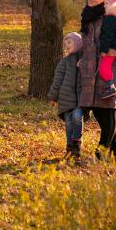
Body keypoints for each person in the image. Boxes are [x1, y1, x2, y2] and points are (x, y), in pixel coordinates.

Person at [78, 0, 116, 161]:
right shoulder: (87, 16)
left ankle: (100, 154)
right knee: (98, 111)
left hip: (107, 70)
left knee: (108, 109)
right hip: (89, 71)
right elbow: (87, 43)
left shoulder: (112, 15)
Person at [48, 32, 84, 161]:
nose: (66, 45)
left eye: (69, 42)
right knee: (69, 124)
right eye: (65, 44)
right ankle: (69, 149)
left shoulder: (85, 59)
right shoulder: (64, 62)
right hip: (65, 99)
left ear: (78, 43)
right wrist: (53, 97)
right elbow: (57, 80)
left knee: (77, 117)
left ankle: (76, 146)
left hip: (81, 99)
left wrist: (84, 64)